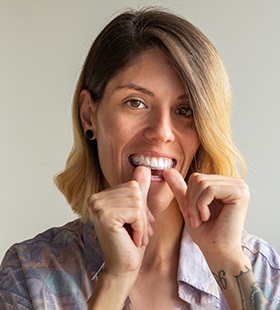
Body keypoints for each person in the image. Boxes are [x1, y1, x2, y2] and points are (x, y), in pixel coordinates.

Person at [0, 7, 279, 310]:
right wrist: (115, 280)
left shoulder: (262, 271)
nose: (161, 132)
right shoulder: (28, 274)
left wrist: (225, 259)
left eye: (185, 110)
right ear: (88, 115)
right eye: (136, 103)